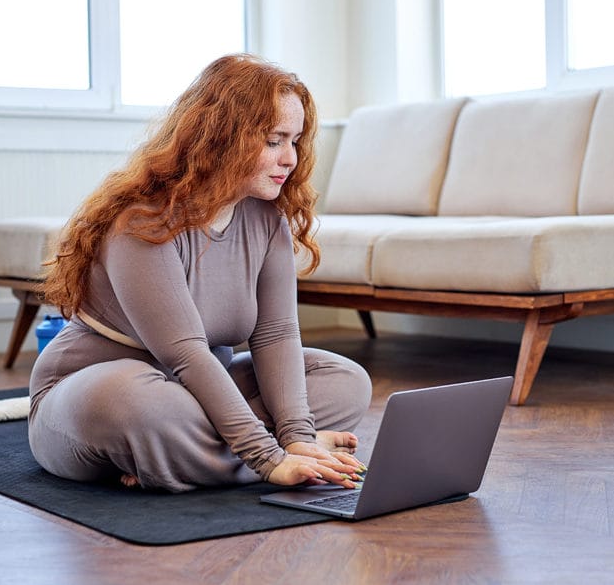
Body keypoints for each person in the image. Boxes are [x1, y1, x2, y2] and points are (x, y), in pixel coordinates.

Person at [29, 54, 373, 493]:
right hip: (97, 397)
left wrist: (297, 435)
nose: (290, 158)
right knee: (137, 399)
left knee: (346, 381)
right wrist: (269, 458)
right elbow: (185, 354)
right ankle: (234, 456)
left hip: (195, 398)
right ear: (221, 137)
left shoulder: (267, 221)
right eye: (273, 141)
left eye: (295, 141)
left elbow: (276, 335)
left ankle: (181, 460)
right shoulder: (142, 222)